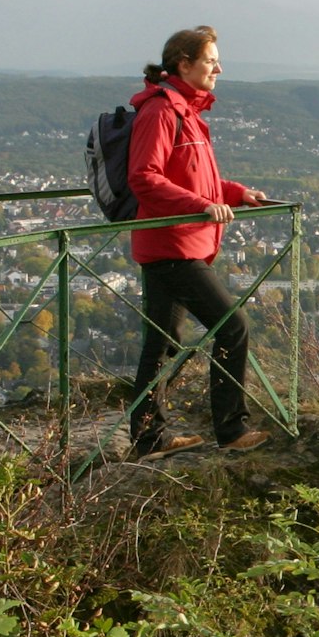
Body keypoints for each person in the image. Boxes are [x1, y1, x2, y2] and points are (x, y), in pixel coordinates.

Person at [126, 25, 270, 460]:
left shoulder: (187, 113)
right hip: (173, 244)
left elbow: (200, 180)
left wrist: (235, 193)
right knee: (233, 324)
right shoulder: (161, 112)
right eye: (210, 61)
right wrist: (201, 206)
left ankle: (149, 440)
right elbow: (144, 178)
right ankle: (231, 429)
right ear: (183, 64)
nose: (218, 69)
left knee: (162, 344)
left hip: (175, 243)